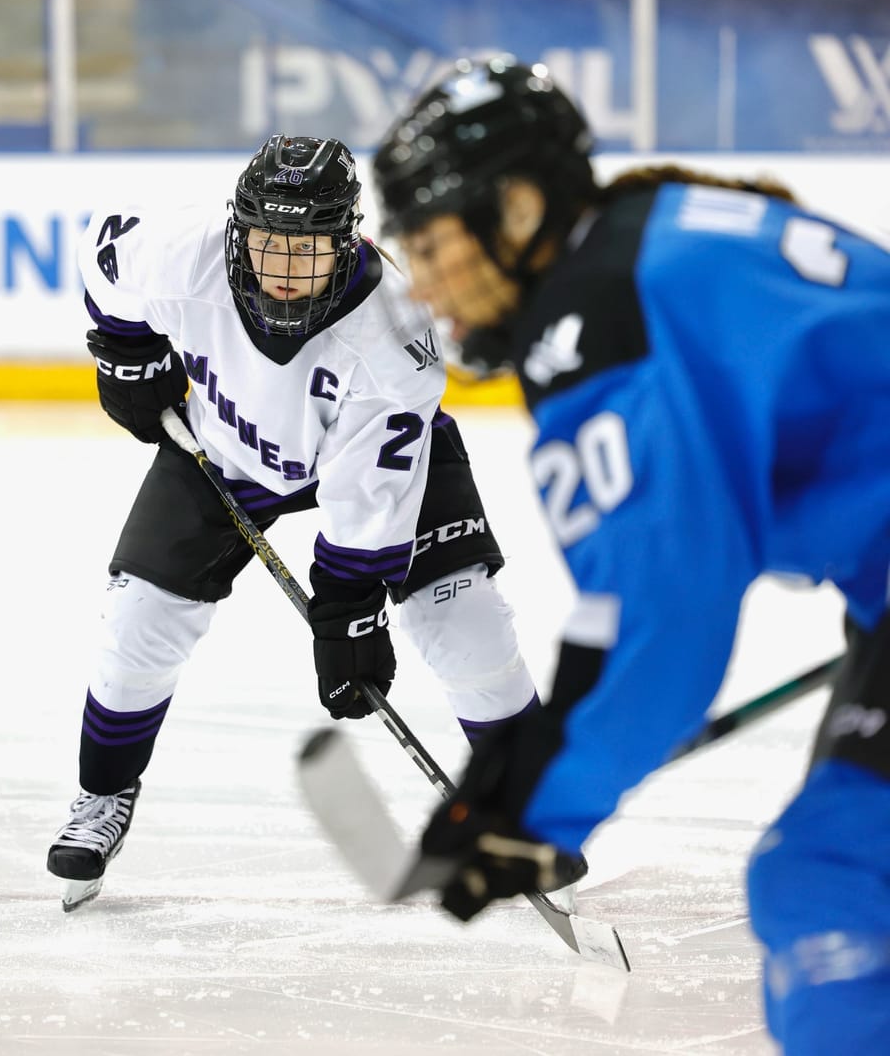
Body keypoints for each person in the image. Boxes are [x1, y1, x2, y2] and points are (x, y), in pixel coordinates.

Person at [371, 55, 890, 1054]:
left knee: (834, 885)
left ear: (517, 208)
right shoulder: (653, 240)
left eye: (431, 242)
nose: (423, 284)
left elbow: (663, 621)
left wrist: (531, 802)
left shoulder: (594, 319)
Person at [47, 133, 546, 909]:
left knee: (465, 624)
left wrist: (350, 613)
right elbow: (101, 255)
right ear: (237, 230)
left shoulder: (394, 341)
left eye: (306, 250)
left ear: (346, 244)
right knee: (138, 622)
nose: (282, 272)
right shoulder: (180, 252)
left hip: (377, 459)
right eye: (267, 244)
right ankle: (102, 796)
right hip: (222, 445)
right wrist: (124, 352)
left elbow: (365, 508)